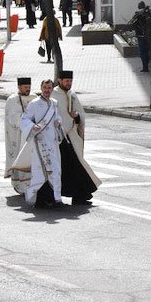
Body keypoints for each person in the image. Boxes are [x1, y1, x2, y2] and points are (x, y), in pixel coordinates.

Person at [52, 71, 101, 205]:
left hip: (71, 137)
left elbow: (81, 113)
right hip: (57, 137)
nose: (69, 83)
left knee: (76, 166)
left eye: (70, 81)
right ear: (59, 80)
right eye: (66, 81)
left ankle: (79, 195)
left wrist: (77, 116)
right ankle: (59, 195)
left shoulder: (71, 94)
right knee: (63, 168)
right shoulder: (53, 94)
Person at [14, 79, 63, 207]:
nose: (47, 90)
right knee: (41, 172)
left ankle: (54, 198)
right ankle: (39, 200)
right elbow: (24, 119)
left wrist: (58, 122)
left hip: (52, 143)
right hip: (40, 143)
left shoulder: (54, 103)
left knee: (55, 170)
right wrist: (32, 126)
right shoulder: (34, 104)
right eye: (45, 88)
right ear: (41, 88)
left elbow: (57, 117)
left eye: (49, 88)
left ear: (52, 89)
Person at [4, 78, 37, 195]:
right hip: (17, 136)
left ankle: (32, 185)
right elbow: (11, 118)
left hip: (31, 135)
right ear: (19, 87)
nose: (28, 89)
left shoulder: (34, 98)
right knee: (19, 159)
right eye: (25, 87)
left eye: (29, 86)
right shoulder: (12, 100)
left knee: (32, 159)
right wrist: (26, 120)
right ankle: (20, 186)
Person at [129, 1, 151, 73]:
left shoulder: (138, 15)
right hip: (148, 36)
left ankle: (145, 67)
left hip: (141, 36)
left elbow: (133, 23)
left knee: (142, 52)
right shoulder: (150, 14)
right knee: (147, 50)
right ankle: (147, 65)